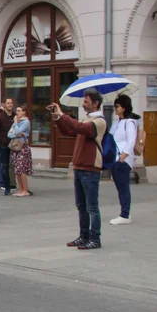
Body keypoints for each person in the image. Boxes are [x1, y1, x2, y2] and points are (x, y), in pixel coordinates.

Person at [50, 89, 107, 250]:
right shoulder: (87, 120)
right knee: (81, 206)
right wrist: (57, 119)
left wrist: (62, 115)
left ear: (95, 103)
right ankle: (84, 236)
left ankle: (95, 239)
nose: (83, 104)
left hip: (90, 169)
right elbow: (69, 130)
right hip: (79, 167)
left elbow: (80, 127)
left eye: (86, 101)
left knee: (92, 207)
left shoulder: (99, 121)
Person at [109, 95, 140, 225]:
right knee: (119, 187)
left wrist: (123, 157)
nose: (115, 109)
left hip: (123, 159)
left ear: (124, 107)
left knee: (123, 187)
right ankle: (124, 212)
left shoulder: (129, 122)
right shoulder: (117, 123)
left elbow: (131, 141)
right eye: (114, 106)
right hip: (114, 158)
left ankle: (125, 214)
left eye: (117, 106)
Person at [7, 105, 33, 197]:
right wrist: (16, 134)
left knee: (21, 169)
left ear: (24, 112)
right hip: (15, 146)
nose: (17, 113)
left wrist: (15, 124)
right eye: (16, 111)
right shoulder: (17, 122)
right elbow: (9, 134)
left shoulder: (26, 122)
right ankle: (20, 189)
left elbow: (18, 131)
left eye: (19, 111)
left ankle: (25, 190)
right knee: (17, 169)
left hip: (22, 147)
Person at [0, 98, 15, 194]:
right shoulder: (0, 117)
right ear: (4, 105)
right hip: (3, 145)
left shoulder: (15, 116)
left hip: (14, 145)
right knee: (4, 166)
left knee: (15, 166)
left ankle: (16, 184)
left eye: (11, 103)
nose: (10, 105)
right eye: (8, 103)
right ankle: (7, 187)